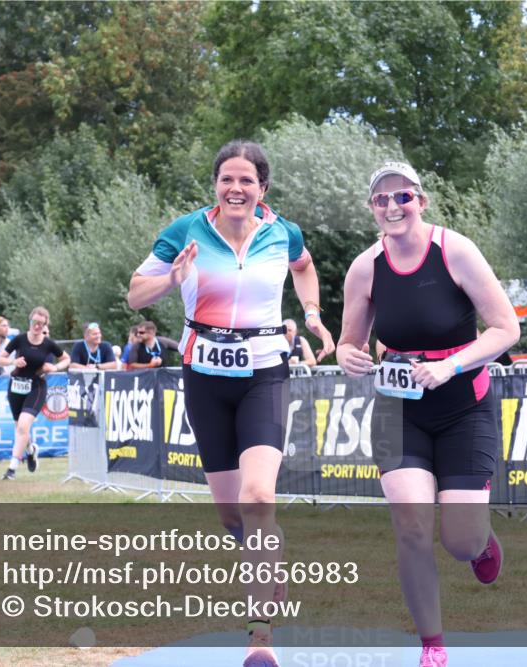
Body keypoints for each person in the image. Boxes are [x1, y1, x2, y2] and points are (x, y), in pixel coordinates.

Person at [127, 140, 335, 667]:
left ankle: (259, 635)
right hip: (205, 378)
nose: (236, 188)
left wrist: (311, 312)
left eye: (246, 180)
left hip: (265, 373)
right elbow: (135, 293)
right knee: (232, 515)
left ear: (262, 188)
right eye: (227, 180)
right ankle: (271, 556)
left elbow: (304, 266)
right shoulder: (186, 231)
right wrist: (172, 278)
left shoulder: (281, 232)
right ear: (215, 186)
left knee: (258, 495)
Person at [336, 161, 519, 667]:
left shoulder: (455, 250)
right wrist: (348, 356)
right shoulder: (364, 267)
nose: (393, 207)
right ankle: (432, 646)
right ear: (372, 209)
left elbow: (506, 329)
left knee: (459, 540)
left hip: (464, 406)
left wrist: (451, 366)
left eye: (403, 197)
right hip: (399, 410)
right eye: (382, 200)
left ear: (422, 201)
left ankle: (480, 545)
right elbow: (351, 341)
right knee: (412, 528)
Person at [0, 307, 70, 480]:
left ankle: (11, 469)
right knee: (20, 428)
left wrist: (55, 367)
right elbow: (0, 359)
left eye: (40, 324)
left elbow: (66, 358)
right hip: (16, 386)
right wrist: (14, 361)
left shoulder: (48, 344)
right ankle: (30, 450)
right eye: (34, 323)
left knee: (23, 426)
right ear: (30, 322)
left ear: (45, 325)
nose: (37, 327)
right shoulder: (19, 339)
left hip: (36, 387)